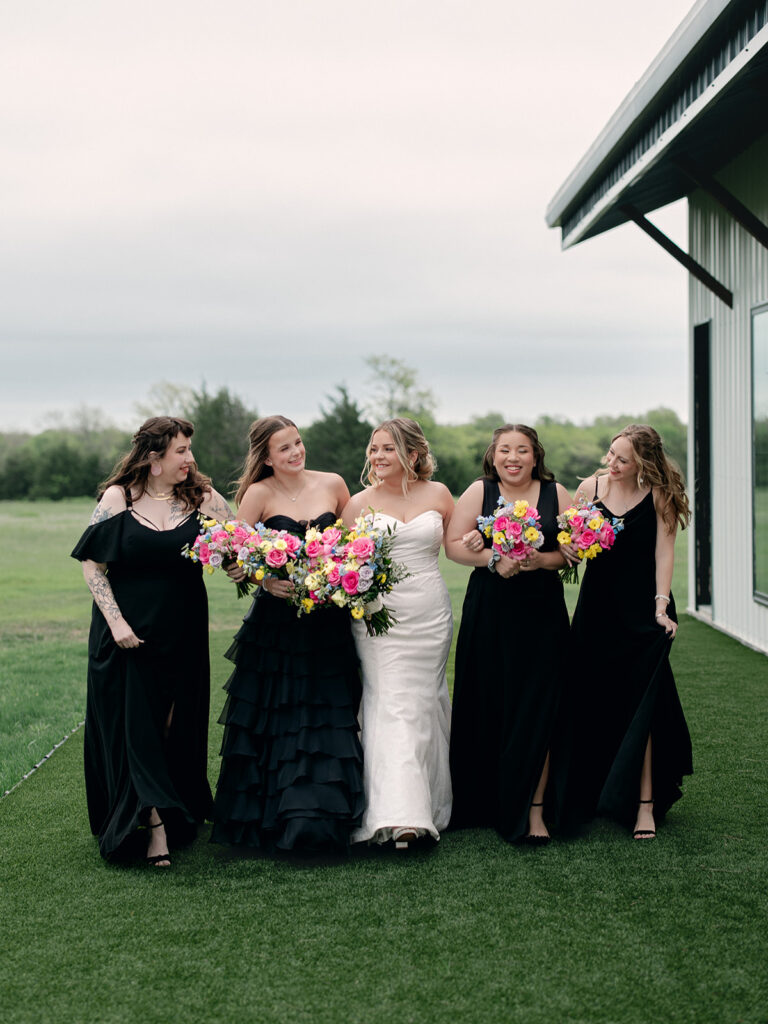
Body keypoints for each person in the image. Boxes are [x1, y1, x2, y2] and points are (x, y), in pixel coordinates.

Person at [71, 416, 233, 865]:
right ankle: (155, 828)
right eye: (180, 451)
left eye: (189, 449)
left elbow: (239, 548)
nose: (190, 459)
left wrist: (258, 571)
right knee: (136, 728)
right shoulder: (118, 497)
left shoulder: (203, 498)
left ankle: (175, 812)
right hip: (126, 633)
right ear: (153, 458)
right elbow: (91, 565)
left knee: (172, 726)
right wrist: (117, 623)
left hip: (182, 631)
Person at [211, 415, 363, 855]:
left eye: (298, 443)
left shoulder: (334, 484)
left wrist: (341, 574)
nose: (296, 452)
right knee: (278, 713)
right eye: (284, 448)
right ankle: (276, 819)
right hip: (277, 625)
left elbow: (356, 545)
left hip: (329, 619)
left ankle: (328, 817)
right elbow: (233, 557)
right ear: (266, 456)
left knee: (327, 710)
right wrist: (264, 579)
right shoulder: (258, 494)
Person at [561, 424, 693, 839]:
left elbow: (664, 551)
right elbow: (572, 549)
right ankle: (588, 793)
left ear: (644, 463)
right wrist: (570, 548)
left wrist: (661, 607)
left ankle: (645, 806)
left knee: (643, 706)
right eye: (611, 454)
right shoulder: (590, 488)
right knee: (588, 696)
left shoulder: (658, 494)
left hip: (642, 611)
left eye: (623, 459)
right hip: (596, 608)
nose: (612, 464)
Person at [446, 424, 571, 844]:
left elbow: (570, 554)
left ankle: (535, 810)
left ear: (536, 456)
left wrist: (541, 560)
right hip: (491, 612)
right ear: (493, 455)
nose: (513, 457)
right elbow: (453, 545)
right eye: (505, 450)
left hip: (542, 614)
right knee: (489, 698)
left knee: (542, 704)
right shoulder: (478, 491)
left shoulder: (558, 495)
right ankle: (485, 802)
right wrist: (493, 559)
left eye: (522, 450)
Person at [342, 417, 454, 849]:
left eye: (387, 448)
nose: (377, 456)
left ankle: (427, 802)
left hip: (429, 615)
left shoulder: (440, 495)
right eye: (373, 449)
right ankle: (398, 815)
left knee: (424, 704)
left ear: (413, 454)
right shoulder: (356, 504)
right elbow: (342, 562)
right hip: (377, 619)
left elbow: (458, 546)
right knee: (391, 705)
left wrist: (498, 550)